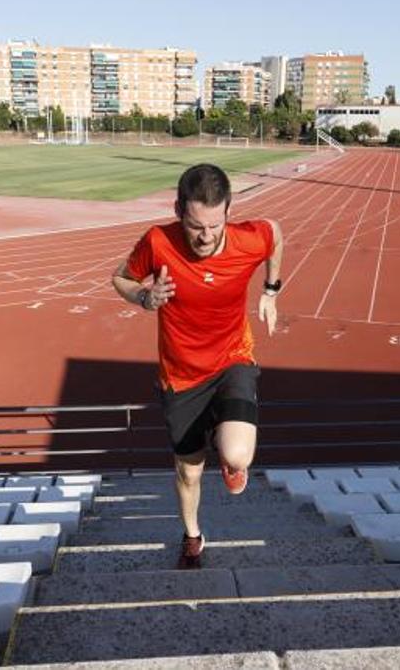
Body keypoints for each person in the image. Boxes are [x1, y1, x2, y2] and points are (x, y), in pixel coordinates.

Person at [111, 163, 283, 569]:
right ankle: (192, 535)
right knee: (189, 473)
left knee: (238, 455)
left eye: (214, 226)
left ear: (228, 212)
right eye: (194, 227)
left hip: (232, 359)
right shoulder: (158, 243)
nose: (205, 237)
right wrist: (143, 297)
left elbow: (276, 234)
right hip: (181, 378)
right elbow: (121, 278)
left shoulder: (247, 239)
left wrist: (272, 291)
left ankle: (230, 457)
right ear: (177, 210)